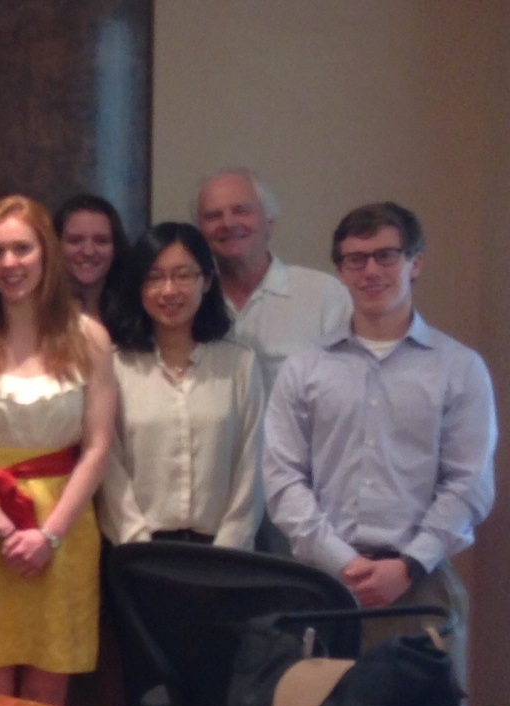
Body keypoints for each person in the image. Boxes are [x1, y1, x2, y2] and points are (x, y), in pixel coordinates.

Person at [264, 202, 495, 688]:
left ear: (416, 263)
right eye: (356, 259)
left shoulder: (459, 368)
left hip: (421, 589)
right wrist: (341, 562)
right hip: (324, 589)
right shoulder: (304, 370)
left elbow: (468, 484)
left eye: (386, 256)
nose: (371, 270)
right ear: (341, 273)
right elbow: (284, 480)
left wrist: (408, 564)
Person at [0, 194, 117, 706]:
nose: (10, 264)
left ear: (46, 255)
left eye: (22, 249)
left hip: (63, 522)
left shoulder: (89, 338)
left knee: (48, 689)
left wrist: (49, 536)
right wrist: (6, 529)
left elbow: (99, 448)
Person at [99, 222, 263, 548]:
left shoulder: (239, 364)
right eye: (154, 277)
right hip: (136, 551)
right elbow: (108, 464)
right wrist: (137, 544)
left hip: (223, 552)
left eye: (183, 275)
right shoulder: (115, 366)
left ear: (208, 281)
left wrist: (229, 549)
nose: (169, 290)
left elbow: (252, 463)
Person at [193, 168, 352, 390]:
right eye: (213, 216)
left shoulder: (324, 295)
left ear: (270, 222)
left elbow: (348, 389)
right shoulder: (189, 299)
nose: (228, 223)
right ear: (200, 230)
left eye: (241, 211)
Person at [53, 193, 125, 319]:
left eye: (101, 241)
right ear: (56, 245)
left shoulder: (136, 316)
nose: (88, 251)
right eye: (75, 240)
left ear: (116, 247)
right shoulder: (37, 315)